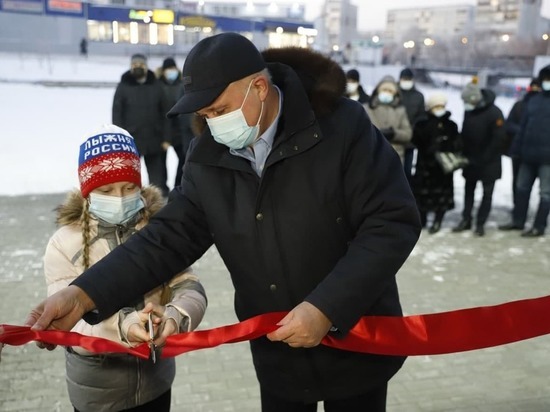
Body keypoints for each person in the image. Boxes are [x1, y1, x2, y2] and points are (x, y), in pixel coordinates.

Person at [26, 33, 421, 412]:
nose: (213, 123)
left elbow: (392, 222)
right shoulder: (208, 156)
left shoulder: (342, 127)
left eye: (219, 111)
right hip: (277, 348)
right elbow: (168, 238)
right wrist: (83, 294)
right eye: (205, 115)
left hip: (355, 338)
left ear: (260, 88)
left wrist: (328, 307)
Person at [43, 124, 207, 412]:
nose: (119, 198)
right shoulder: (63, 244)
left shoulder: (158, 233)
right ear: (88, 191)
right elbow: (74, 319)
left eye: (129, 188)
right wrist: (126, 325)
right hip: (98, 393)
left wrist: (175, 316)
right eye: (106, 190)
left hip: (156, 383)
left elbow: (188, 285)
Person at [499, 66, 550, 237]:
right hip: (527, 155)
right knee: (521, 188)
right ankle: (518, 221)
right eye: (546, 78)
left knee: (545, 193)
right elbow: (523, 129)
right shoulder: (533, 101)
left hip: (547, 159)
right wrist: (516, 150)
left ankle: (539, 226)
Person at [112, 53, 171, 197]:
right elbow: (117, 114)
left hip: (154, 139)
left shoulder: (155, 85)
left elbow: (166, 113)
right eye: (134, 65)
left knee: (157, 178)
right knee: (129, 175)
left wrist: (166, 138)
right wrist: (120, 140)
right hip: (131, 140)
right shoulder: (123, 86)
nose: (137, 67)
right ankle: (129, 201)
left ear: (146, 66)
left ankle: (157, 205)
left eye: (140, 64)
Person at [452, 81, 505, 237]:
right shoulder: (470, 111)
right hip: (471, 160)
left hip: (489, 162)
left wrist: (484, 157)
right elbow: (466, 132)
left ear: (475, 98)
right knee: (469, 191)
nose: (465, 104)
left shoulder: (495, 113)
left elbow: (499, 139)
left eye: (467, 101)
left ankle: (480, 223)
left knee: (486, 194)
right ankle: (466, 219)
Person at [411, 92, 462, 233]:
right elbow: (416, 141)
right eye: (436, 106)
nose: (439, 109)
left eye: (441, 106)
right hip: (425, 166)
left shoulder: (451, 125)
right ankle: (423, 220)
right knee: (422, 197)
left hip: (443, 168)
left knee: (442, 198)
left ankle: (438, 221)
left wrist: (447, 144)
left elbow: (457, 142)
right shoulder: (422, 124)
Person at [156, 57, 196, 187]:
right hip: (162, 130)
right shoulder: (157, 86)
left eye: (172, 69)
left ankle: (178, 186)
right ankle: (163, 187)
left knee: (183, 159)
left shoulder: (182, 85)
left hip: (179, 131)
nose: (170, 71)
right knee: (161, 163)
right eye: (168, 69)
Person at [365, 75, 413, 164]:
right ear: (378, 91)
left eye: (390, 91)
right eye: (384, 90)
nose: (387, 93)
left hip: (394, 158)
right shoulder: (367, 109)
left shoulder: (400, 110)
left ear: (395, 93)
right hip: (371, 156)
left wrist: (394, 133)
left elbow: (408, 134)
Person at [399, 67, 426, 181]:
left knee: (407, 171)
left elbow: (421, 116)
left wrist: (413, 130)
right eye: (404, 79)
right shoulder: (394, 93)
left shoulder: (418, 96)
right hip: (395, 139)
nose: (406, 81)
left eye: (408, 79)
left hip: (411, 140)